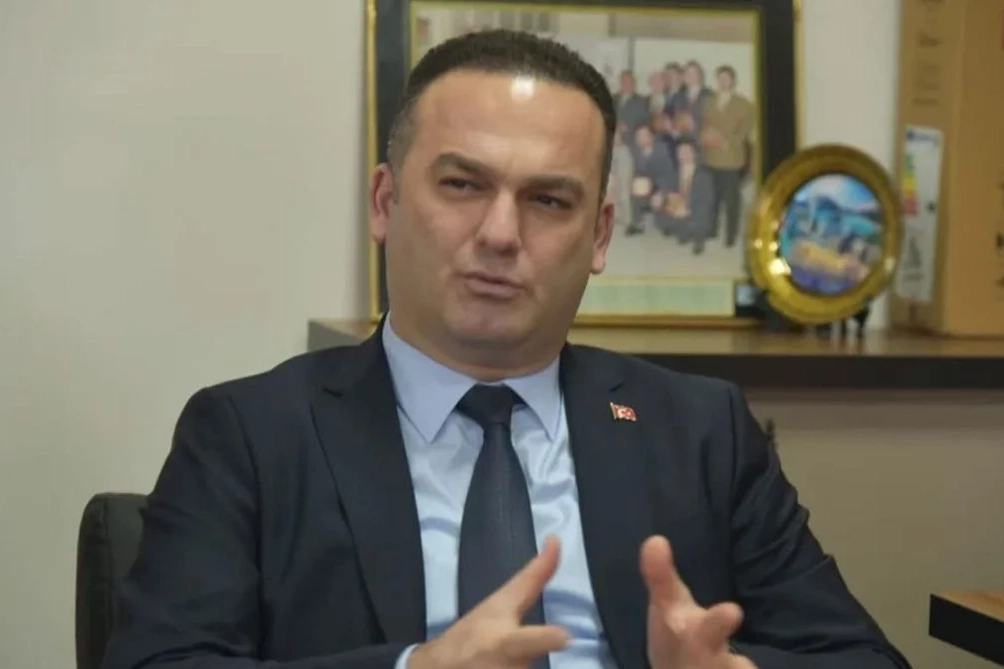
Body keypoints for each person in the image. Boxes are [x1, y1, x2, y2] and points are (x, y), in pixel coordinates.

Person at [101, 29, 912, 669]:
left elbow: (861, 658)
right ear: (385, 200)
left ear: (599, 235)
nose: (499, 233)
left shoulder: (701, 431)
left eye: (548, 200)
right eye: (462, 184)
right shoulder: (249, 434)